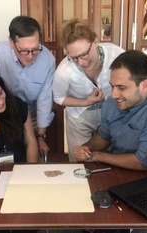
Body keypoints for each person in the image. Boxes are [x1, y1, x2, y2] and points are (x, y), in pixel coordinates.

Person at [74, 50, 147, 171]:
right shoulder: (111, 103)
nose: (114, 94)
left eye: (121, 88)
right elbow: (103, 137)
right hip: (115, 168)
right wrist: (85, 148)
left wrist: (99, 156)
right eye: (112, 86)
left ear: (144, 85)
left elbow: (142, 162)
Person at [0, 15, 55, 160]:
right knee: (3, 159)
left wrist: (41, 136)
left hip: (32, 115)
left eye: (35, 49)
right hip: (1, 114)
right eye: (24, 51)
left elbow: (45, 98)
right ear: (11, 42)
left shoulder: (47, 59)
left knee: (33, 160)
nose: (30, 56)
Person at [53, 18, 124, 162]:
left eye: (84, 54)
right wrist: (86, 102)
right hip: (80, 118)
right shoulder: (64, 71)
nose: (81, 62)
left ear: (96, 41)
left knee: (112, 156)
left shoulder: (117, 55)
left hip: (113, 113)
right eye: (73, 57)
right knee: (81, 161)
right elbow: (58, 98)